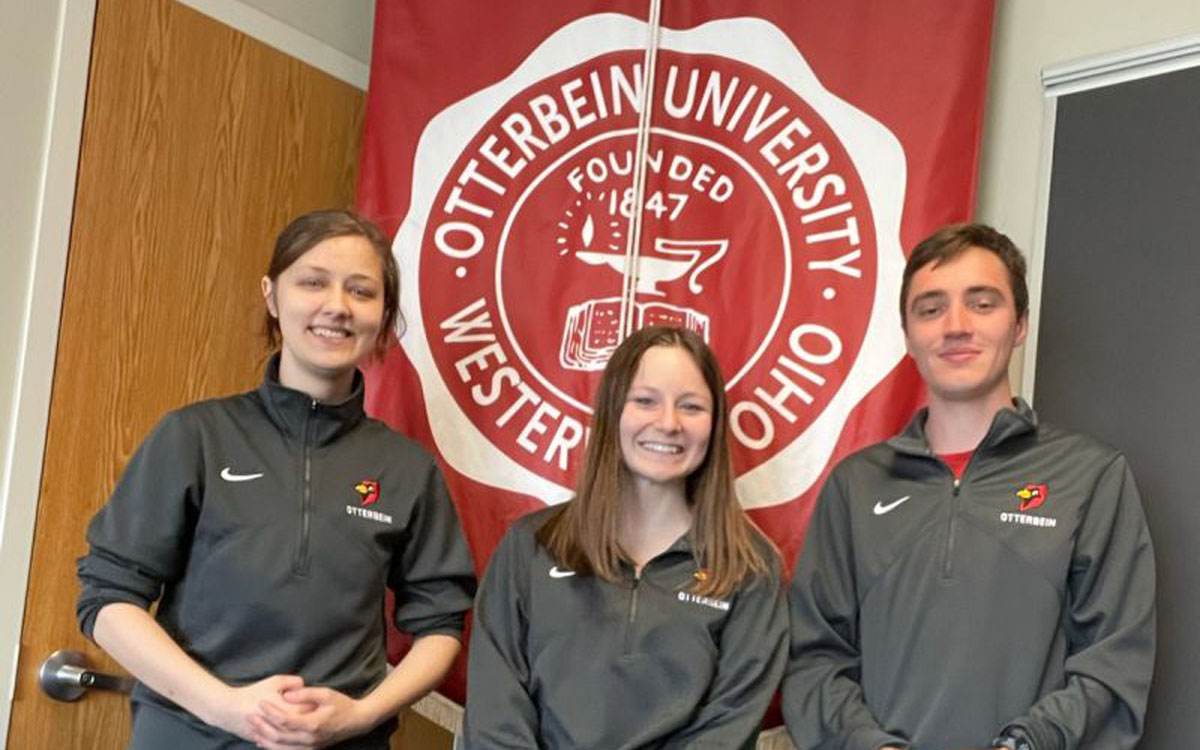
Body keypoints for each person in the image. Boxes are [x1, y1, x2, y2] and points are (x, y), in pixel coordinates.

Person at [76, 209, 477, 750]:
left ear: (383, 315)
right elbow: (108, 602)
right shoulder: (196, 437)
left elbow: (441, 627)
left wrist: (360, 715)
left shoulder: (407, 468)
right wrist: (227, 708)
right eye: (313, 282)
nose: (337, 306)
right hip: (190, 737)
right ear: (271, 295)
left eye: (361, 291)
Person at [782, 223, 1155, 750]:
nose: (956, 326)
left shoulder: (1091, 477)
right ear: (908, 335)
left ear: (1019, 324)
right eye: (931, 309)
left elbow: (1114, 665)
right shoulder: (855, 486)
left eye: (982, 304)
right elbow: (814, 661)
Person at [463, 326, 787, 749]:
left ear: (715, 424)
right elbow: (494, 713)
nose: (668, 423)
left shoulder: (751, 569)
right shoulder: (530, 547)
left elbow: (727, 729)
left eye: (691, 406)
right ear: (612, 409)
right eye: (645, 401)